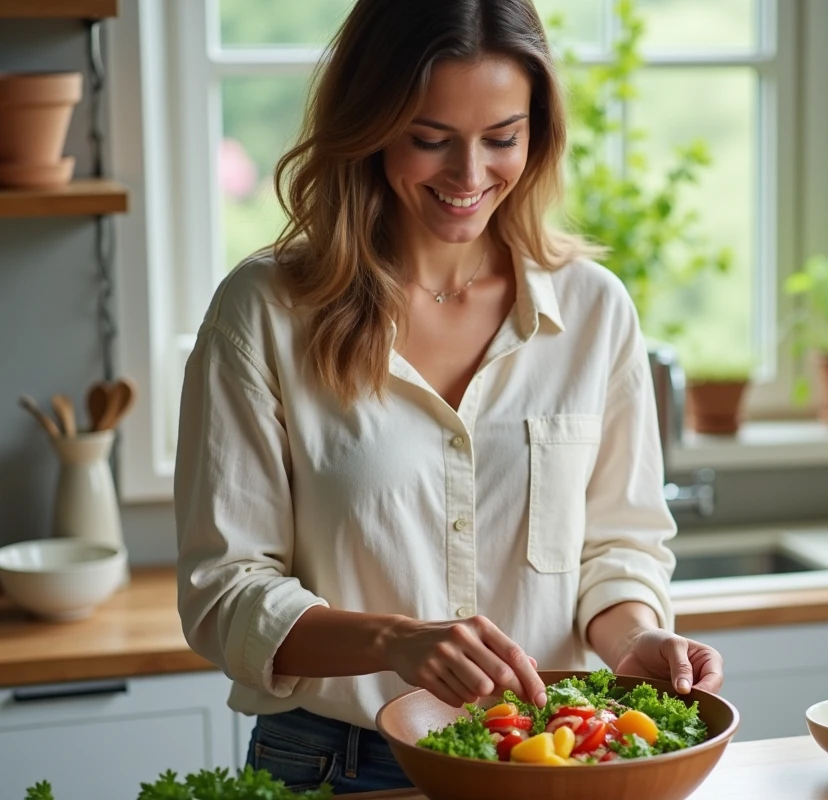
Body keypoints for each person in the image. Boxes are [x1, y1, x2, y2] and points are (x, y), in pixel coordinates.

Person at [174, 0, 724, 794]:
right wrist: (393, 641)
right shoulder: (263, 312)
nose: (470, 178)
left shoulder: (594, 312)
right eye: (430, 139)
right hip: (337, 764)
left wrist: (635, 638)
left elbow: (617, 546)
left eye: (502, 138)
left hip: (556, 759)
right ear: (369, 126)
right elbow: (225, 593)